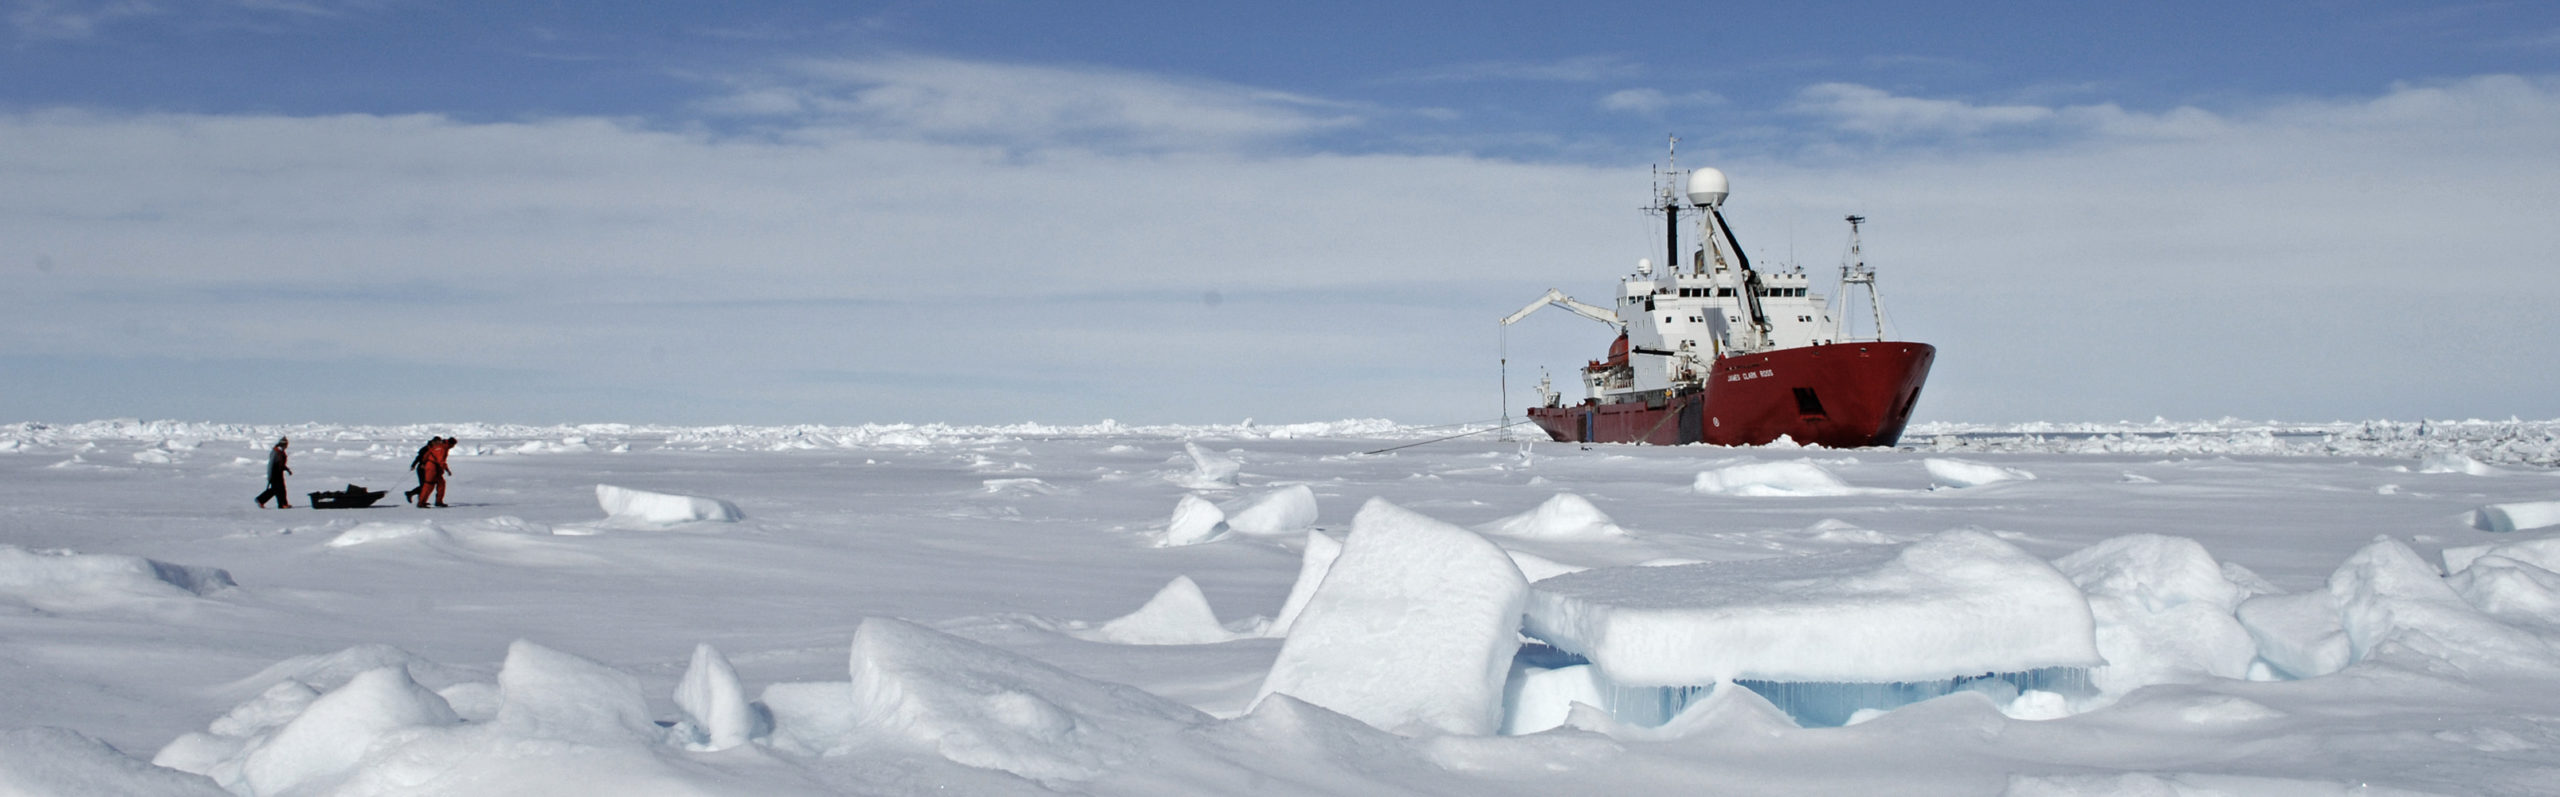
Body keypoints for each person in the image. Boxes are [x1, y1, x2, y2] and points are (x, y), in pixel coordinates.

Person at [254, 437, 293, 508]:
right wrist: (270, 476)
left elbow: (281, 464)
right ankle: (282, 504)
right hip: (274, 473)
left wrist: (287, 469)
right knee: (280, 489)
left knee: (276, 489)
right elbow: (271, 464)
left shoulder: (280, 451)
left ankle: (261, 500)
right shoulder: (275, 452)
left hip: (279, 473)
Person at [416, 437, 453, 508]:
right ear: (451, 444)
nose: (453, 447)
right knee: (429, 484)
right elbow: (440, 460)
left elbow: (428, 453)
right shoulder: (442, 448)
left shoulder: (440, 446)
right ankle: (421, 502)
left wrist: (424, 462)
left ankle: (439, 501)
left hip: (435, 467)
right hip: (432, 467)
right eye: (453, 445)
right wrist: (447, 469)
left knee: (441, 483)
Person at [402, 437, 439, 502]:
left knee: (426, 485)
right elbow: (418, 458)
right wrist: (413, 465)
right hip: (422, 468)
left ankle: (419, 499)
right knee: (425, 485)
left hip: (429, 468)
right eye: (437, 442)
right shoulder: (425, 449)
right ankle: (411, 494)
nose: (438, 444)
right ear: (433, 442)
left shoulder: (435, 449)